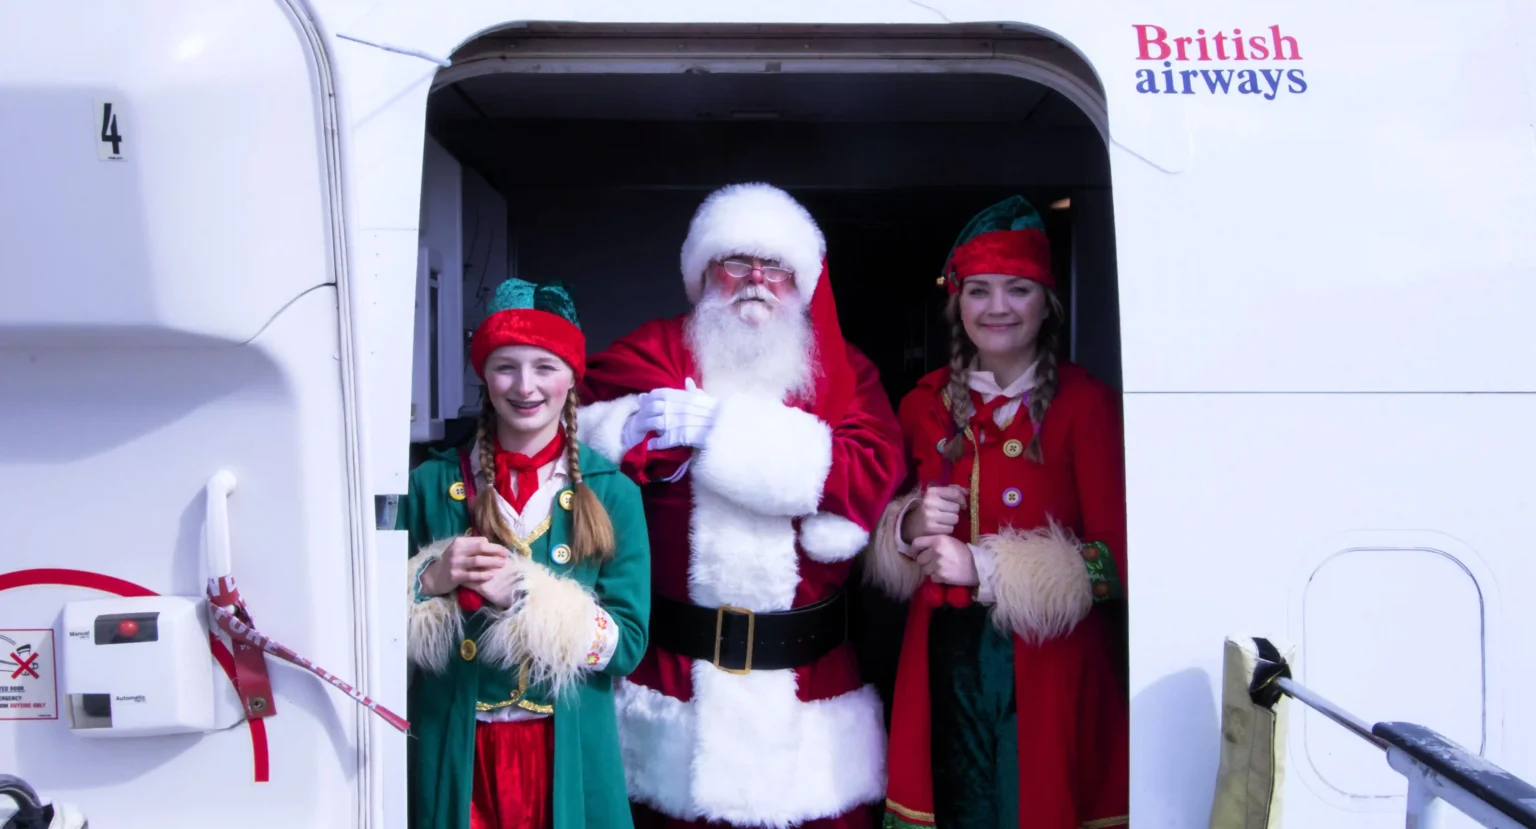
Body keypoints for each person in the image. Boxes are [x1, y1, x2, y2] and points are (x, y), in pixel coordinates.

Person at [576, 182, 907, 829]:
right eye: (737, 262)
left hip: (807, 691)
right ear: (703, 274)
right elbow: (573, 433)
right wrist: (639, 435)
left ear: (802, 282)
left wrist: (722, 431)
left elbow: (871, 472)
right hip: (675, 682)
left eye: (776, 266)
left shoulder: (842, 370)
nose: (756, 279)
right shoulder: (656, 350)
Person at [863, 195, 1129, 829]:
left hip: (1051, 672)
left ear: (1048, 302)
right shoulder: (921, 405)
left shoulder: (1086, 406)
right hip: (940, 664)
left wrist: (985, 569)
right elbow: (873, 526)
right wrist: (906, 527)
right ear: (957, 304)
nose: (999, 307)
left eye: (1019, 289)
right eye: (979, 291)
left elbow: (1116, 563)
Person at [400, 277, 651, 829]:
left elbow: (628, 647)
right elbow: (368, 635)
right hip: (456, 752)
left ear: (572, 379)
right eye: (505, 366)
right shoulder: (430, 484)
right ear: (484, 376)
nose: (525, 386)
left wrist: (525, 595)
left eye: (545, 366)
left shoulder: (613, 492)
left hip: (568, 755)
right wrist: (427, 581)